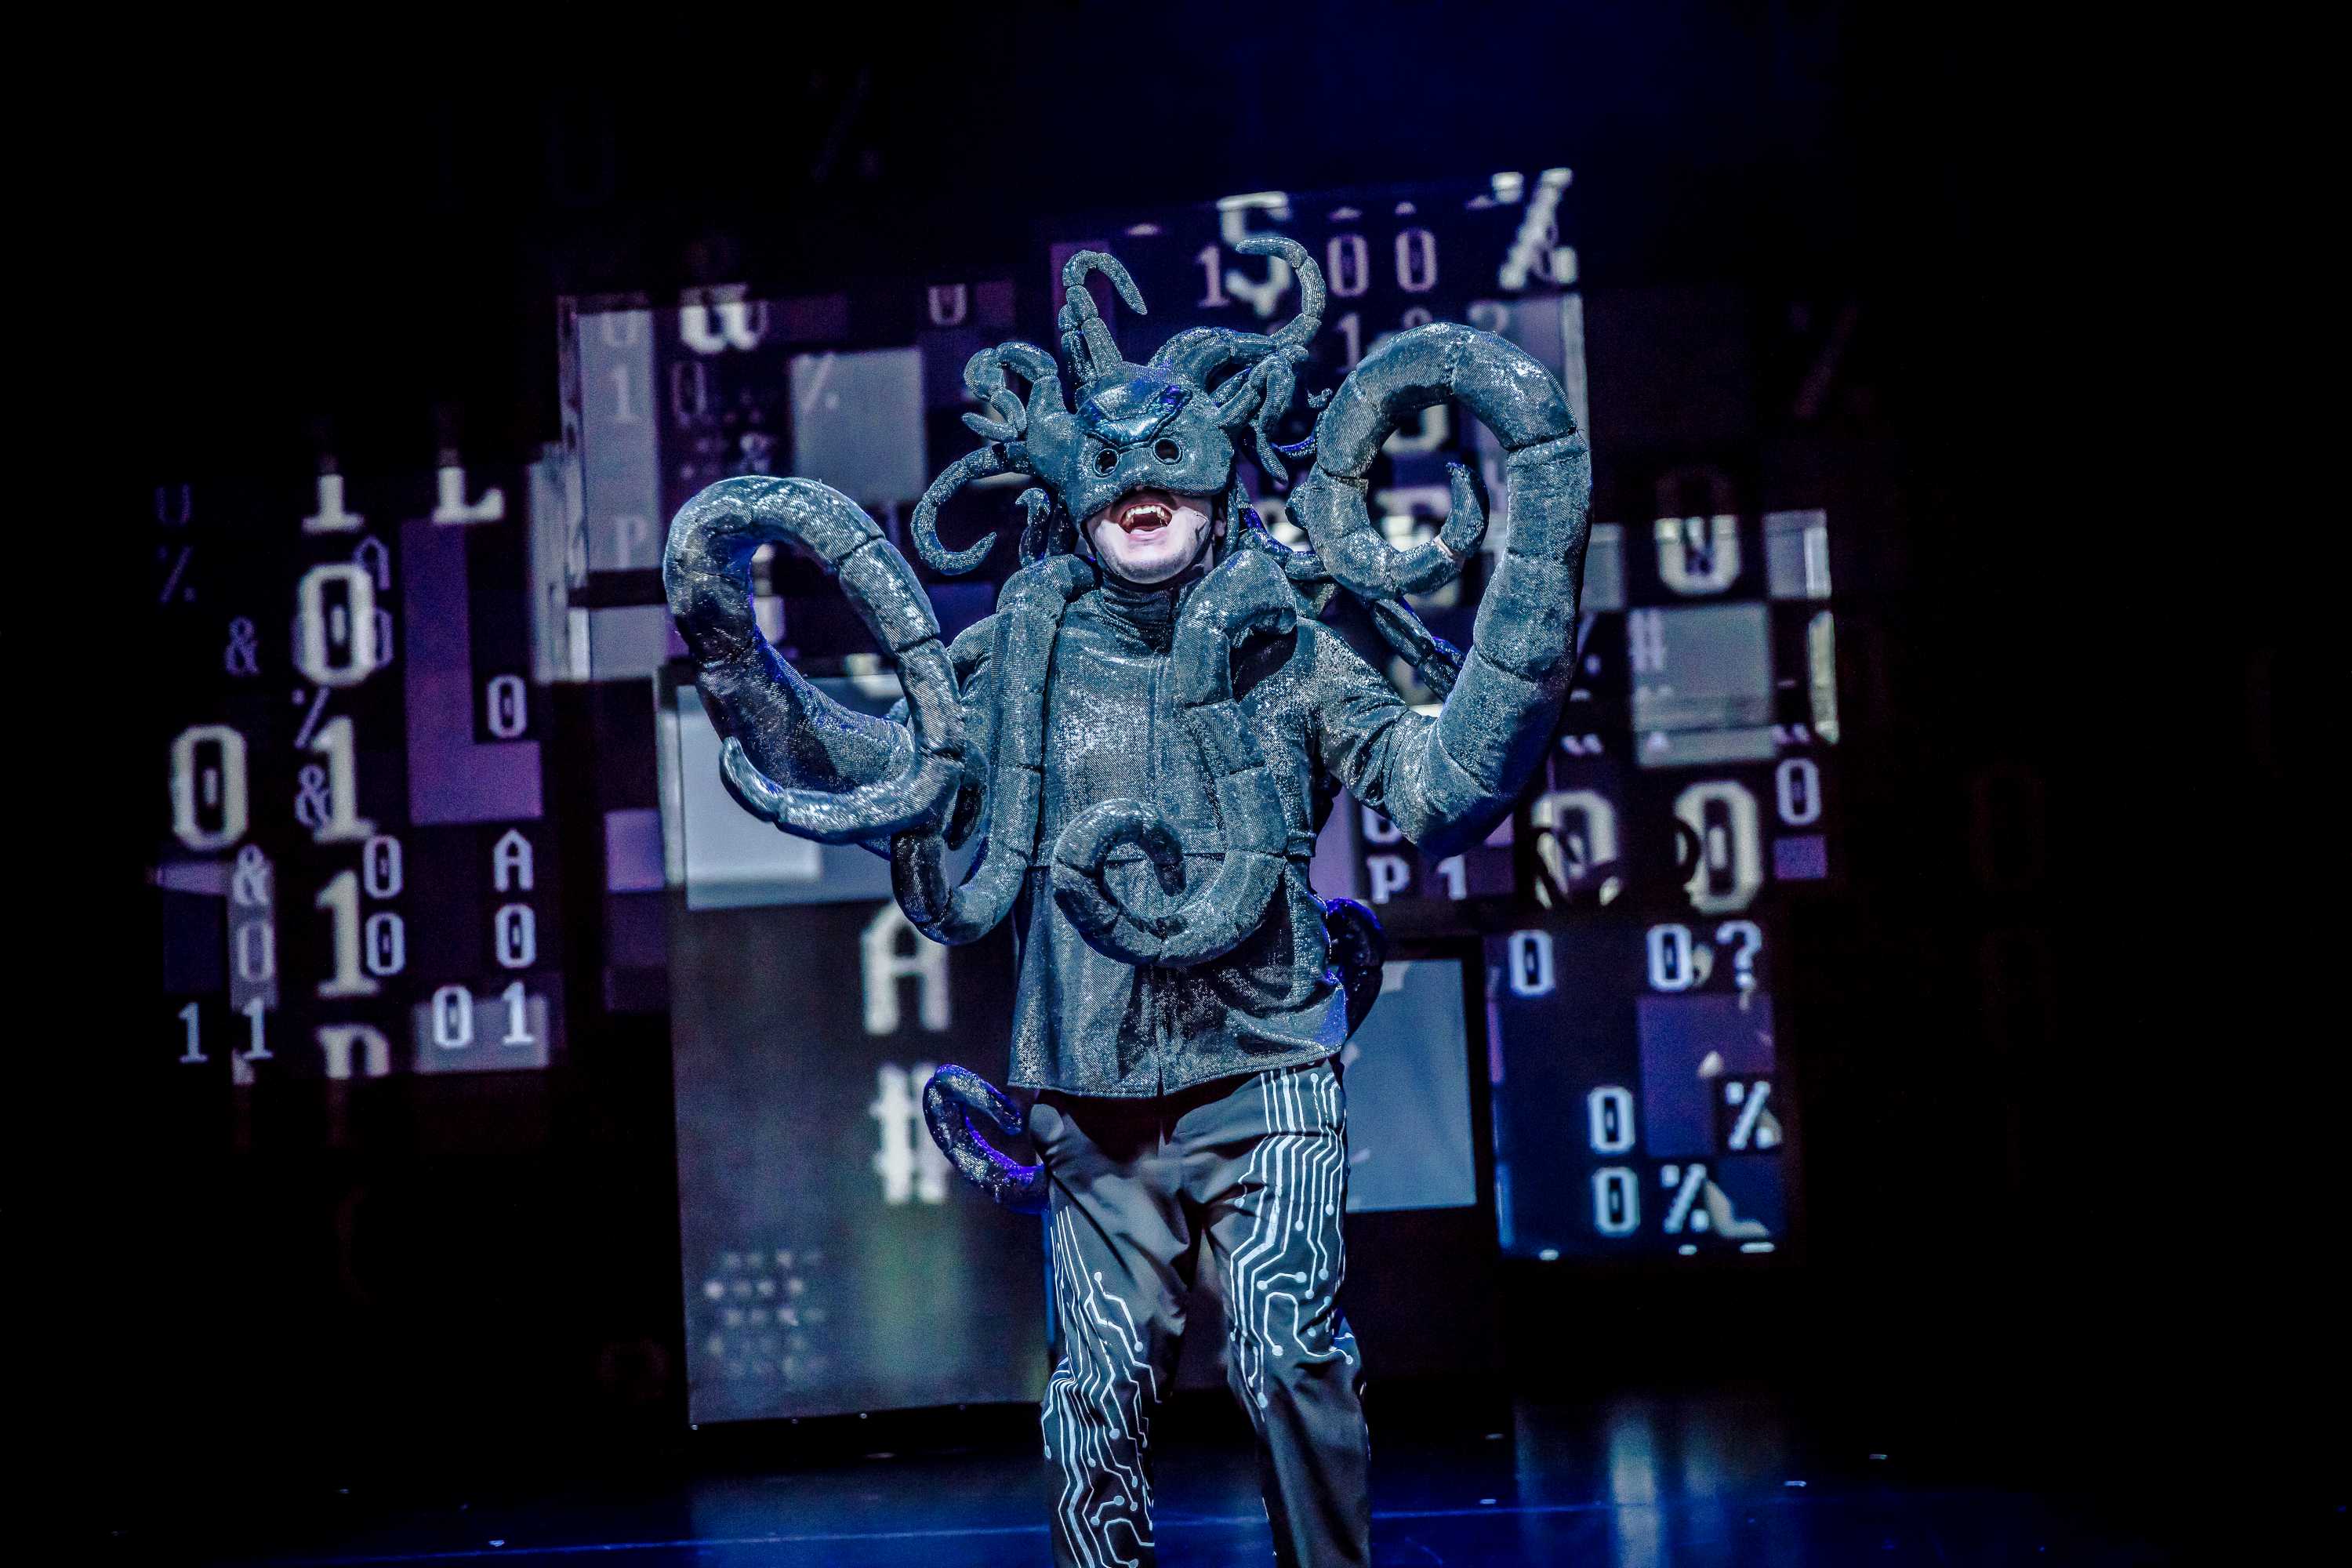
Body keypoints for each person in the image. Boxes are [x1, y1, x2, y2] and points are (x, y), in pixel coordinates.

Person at [663, 238, 1590, 1567]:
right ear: (1069, 488)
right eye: (1111, 463)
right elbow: (886, 769)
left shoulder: (1289, 651)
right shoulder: (1018, 661)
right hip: (1089, 1091)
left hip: (1267, 1067)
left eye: (1169, 459)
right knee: (1095, 1393)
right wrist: (728, 641)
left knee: (1286, 1352)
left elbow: (1437, 786)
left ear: (1218, 478)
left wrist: (1538, 563)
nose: (1140, 479)